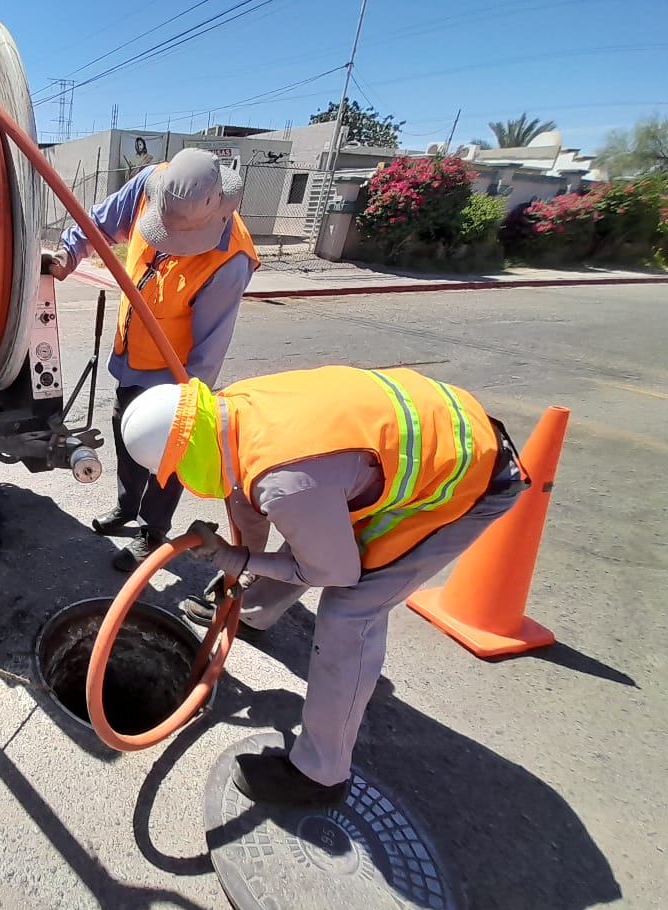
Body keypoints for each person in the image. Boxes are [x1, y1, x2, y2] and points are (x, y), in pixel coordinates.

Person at [116, 366, 529, 805]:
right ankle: (257, 613)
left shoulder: (287, 481)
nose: (179, 479)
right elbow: (247, 502)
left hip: (465, 479)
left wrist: (235, 558)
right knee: (314, 533)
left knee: (350, 609)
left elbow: (331, 570)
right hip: (433, 429)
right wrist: (236, 572)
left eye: (174, 470)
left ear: (186, 451)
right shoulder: (232, 413)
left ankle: (320, 774)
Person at [47, 148, 259, 571]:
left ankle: (151, 530)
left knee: (166, 457)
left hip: (174, 376)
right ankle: (127, 508)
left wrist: (183, 408)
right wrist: (68, 254)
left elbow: (209, 350)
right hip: (131, 356)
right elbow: (98, 223)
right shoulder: (152, 185)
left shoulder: (229, 260)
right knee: (126, 438)